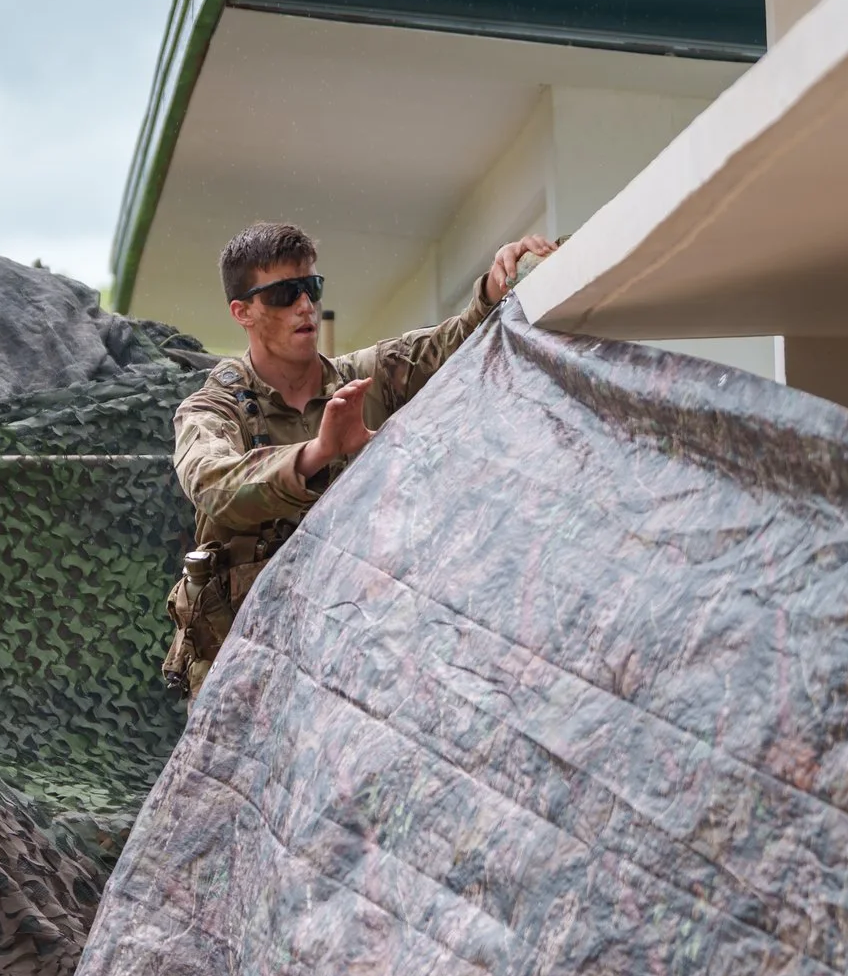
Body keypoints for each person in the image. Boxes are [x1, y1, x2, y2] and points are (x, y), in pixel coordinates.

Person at [164, 221, 557, 694]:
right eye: (283, 294)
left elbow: (450, 342)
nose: (305, 305)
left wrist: (496, 285)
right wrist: (318, 453)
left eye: (310, 287)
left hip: (348, 659)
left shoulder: (365, 381)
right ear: (242, 311)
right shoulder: (213, 408)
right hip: (245, 675)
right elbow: (213, 485)